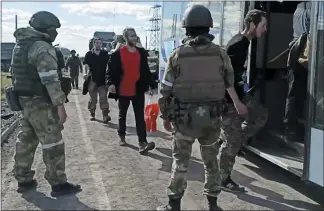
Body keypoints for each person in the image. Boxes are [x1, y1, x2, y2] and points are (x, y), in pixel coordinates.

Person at [156, 4, 248, 211]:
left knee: (180, 163)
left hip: (184, 120)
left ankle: (174, 204)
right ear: (209, 28)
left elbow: (166, 89)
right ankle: (213, 204)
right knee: (211, 163)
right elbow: (229, 81)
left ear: (186, 29)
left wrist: (165, 115)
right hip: (212, 119)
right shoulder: (220, 54)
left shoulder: (178, 55)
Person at [10, 11, 81, 197]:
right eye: (54, 29)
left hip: (24, 100)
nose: (55, 33)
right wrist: (60, 106)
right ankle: (58, 183)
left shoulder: (21, 44)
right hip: (41, 101)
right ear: (46, 28)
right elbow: (50, 79)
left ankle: (23, 178)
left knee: (26, 139)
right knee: (53, 142)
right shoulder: (42, 47)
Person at [218, 9, 268, 193]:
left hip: (239, 95)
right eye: (263, 25)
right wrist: (237, 103)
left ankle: (234, 139)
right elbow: (225, 78)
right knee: (232, 144)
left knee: (261, 115)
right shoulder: (238, 45)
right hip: (230, 100)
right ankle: (223, 179)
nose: (265, 29)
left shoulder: (244, 42)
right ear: (252, 25)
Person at [106, 27, 156, 154]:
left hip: (137, 89)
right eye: (131, 36)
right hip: (123, 90)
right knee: (122, 115)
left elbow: (146, 70)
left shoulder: (141, 52)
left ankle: (142, 143)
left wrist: (151, 84)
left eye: (135, 35)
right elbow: (110, 71)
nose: (134, 37)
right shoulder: (118, 53)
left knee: (140, 117)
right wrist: (110, 83)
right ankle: (122, 136)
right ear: (125, 38)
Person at [283, 2, 311, 142]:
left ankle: (291, 129)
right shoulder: (314, 7)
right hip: (308, 52)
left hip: (295, 51)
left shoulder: (300, 6)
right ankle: (293, 129)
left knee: (294, 92)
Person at [83, 38, 111, 122]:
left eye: (100, 43)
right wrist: (85, 73)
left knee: (103, 97)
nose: (98, 44)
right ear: (93, 44)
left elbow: (109, 65)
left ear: (101, 44)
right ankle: (92, 113)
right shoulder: (89, 54)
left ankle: (105, 115)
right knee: (93, 98)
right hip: (92, 79)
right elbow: (86, 65)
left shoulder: (105, 54)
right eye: (97, 43)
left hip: (102, 80)